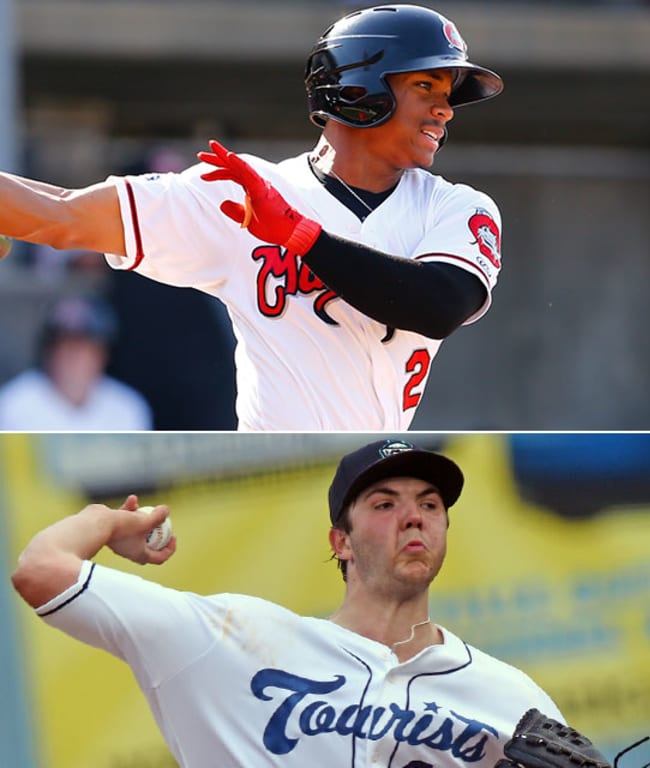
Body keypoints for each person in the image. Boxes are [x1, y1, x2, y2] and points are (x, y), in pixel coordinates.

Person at [0, 4, 506, 430]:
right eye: (426, 86)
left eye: (447, 95)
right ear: (357, 90)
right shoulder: (243, 192)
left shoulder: (457, 208)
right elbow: (62, 213)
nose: (445, 110)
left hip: (375, 474)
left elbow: (437, 305)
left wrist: (301, 236)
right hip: (269, 476)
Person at [9, 438, 564, 765]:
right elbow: (40, 570)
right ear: (340, 541)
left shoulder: (509, 697)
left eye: (430, 503)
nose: (414, 515)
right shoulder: (231, 640)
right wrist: (104, 521)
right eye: (384, 503)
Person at [0, 296, 152, 430]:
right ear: (48, 352)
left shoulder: (127, 407)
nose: (71, 357)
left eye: (82, 348)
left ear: (101, 356)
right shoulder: (13, 404)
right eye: (63, 346)